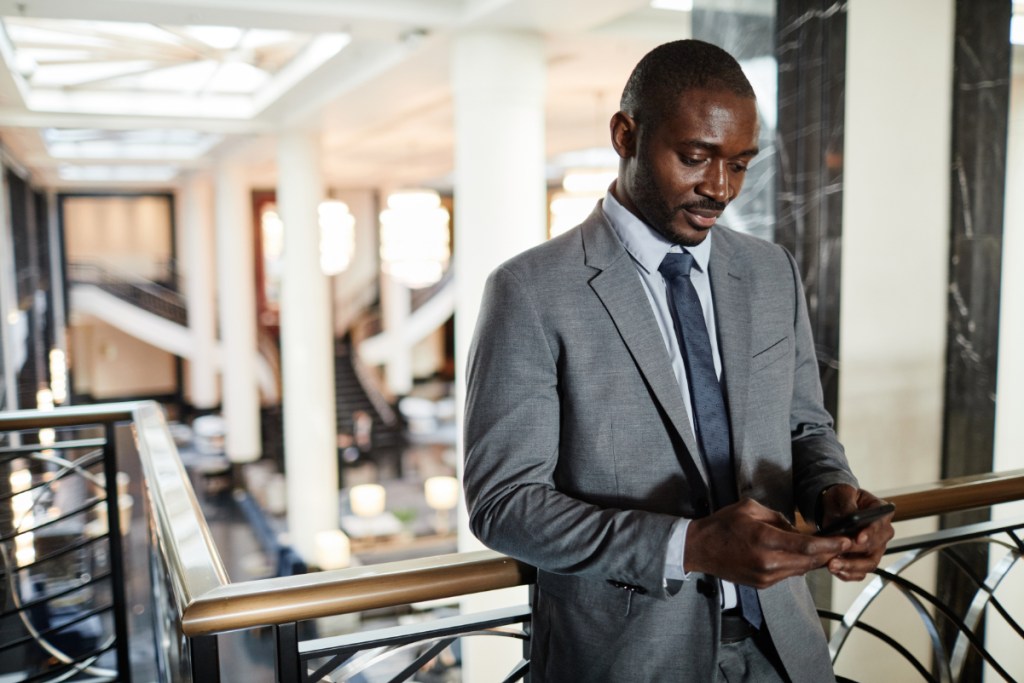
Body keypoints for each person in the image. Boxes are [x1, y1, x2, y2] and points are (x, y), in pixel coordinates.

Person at [462, 39, 894, 682]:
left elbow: (804, 426)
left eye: (741, 165)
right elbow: (504, 502)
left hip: (786, 647)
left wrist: (834, 495)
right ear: (625, 135)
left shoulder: (771, 271)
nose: (719, 189)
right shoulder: (529, 291)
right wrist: (688, 546)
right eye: (695, 158)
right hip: (626, 660)